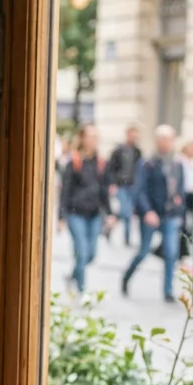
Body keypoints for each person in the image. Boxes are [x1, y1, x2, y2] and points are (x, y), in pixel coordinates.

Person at [122, 124, 185, 304]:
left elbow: (179, 188)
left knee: (171, 253)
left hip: (170, 215)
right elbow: (139, 190)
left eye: (170, 140)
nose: (167, 143)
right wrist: (147, 211)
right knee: (143, 251)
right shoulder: (148, 163)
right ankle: (127, 276)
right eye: (164, 140)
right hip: (151, 215)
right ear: (158, 141)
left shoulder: (177, 163)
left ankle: (167, 291)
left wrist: (179, 204)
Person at [58, 124, 113, 294]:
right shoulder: (74, 162)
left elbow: (104, 190)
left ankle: (73, 275)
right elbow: (65, 191)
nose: (94, 140)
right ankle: (82, 290)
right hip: (76, 213)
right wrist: (61, 217)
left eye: (96, 136)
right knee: (82, 252)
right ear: (82, 138)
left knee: (91, 254)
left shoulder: (101, 163)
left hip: (95, 214)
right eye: (90, 136)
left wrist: (110, 213)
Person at [106, 125, 142, 248]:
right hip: (120, 184)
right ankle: (111, 227)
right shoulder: (118, 150)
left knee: (128, 213)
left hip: (132, 186)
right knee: (125, 211)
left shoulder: (137, 151)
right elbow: (110, 168)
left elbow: (139, 169)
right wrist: (112, 183)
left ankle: (125, 237)